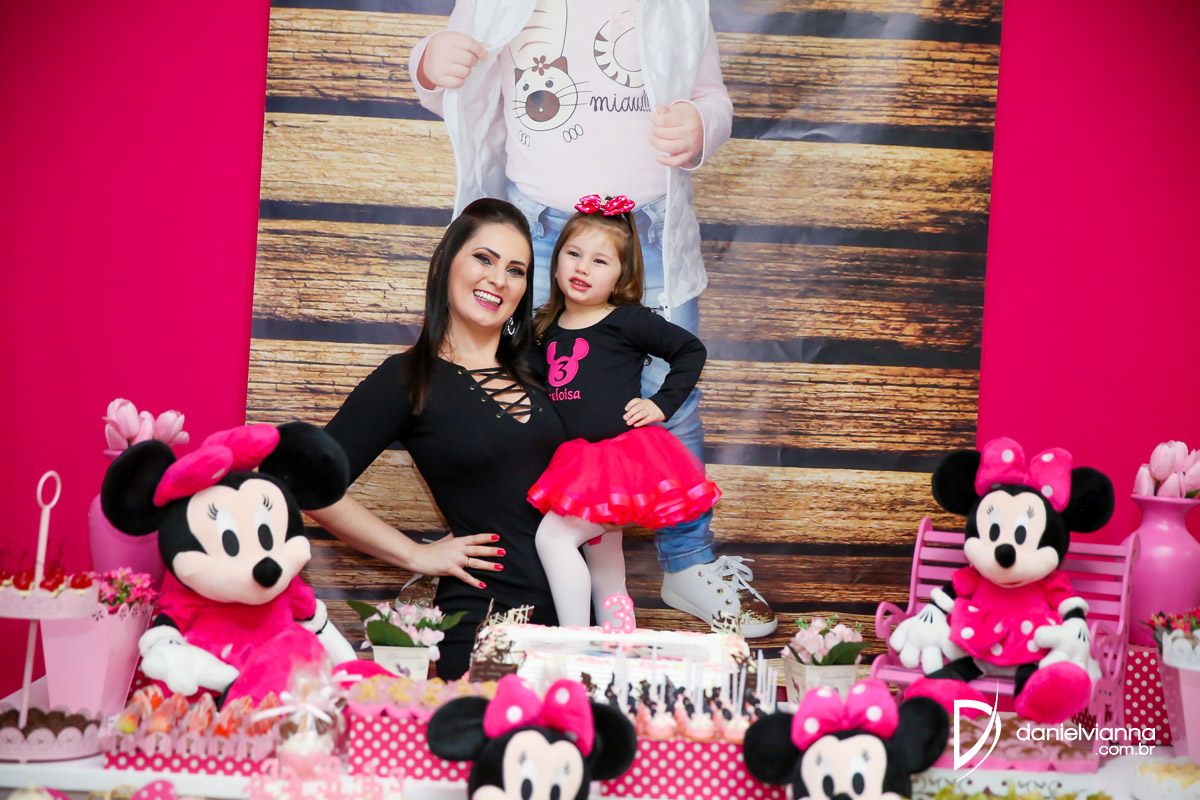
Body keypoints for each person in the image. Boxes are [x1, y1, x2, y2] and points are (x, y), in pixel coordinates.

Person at [409, 0, 776, 637]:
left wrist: (701, 124)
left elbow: (712, 95)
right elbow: (453, 83)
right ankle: (505, 550)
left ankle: (688, 561)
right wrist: (427, 63)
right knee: (505, 385)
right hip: (533, 231)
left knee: (670, 402)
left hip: (645, 237)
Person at [309, 198, 566, 679]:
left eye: (515, 270)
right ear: (445, 263)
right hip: (487, 626)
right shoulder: (409, 379)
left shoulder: (543, 365)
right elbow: (309, 484)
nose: (499, 279)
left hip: (575, 624)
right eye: (484, 258)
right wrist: (416, 554)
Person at [528, 195, 721, 629]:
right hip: (576, 465)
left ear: (620, 276)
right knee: (604, 557)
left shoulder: (626, 319)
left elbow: (690, 350)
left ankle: (574, 637)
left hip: (619, 460)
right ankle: (617, 635)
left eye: (600, 261)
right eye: (573, 254)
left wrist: (660, 404)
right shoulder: (546, 328)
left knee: (554, 538)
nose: (582, 268)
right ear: (555, 264)